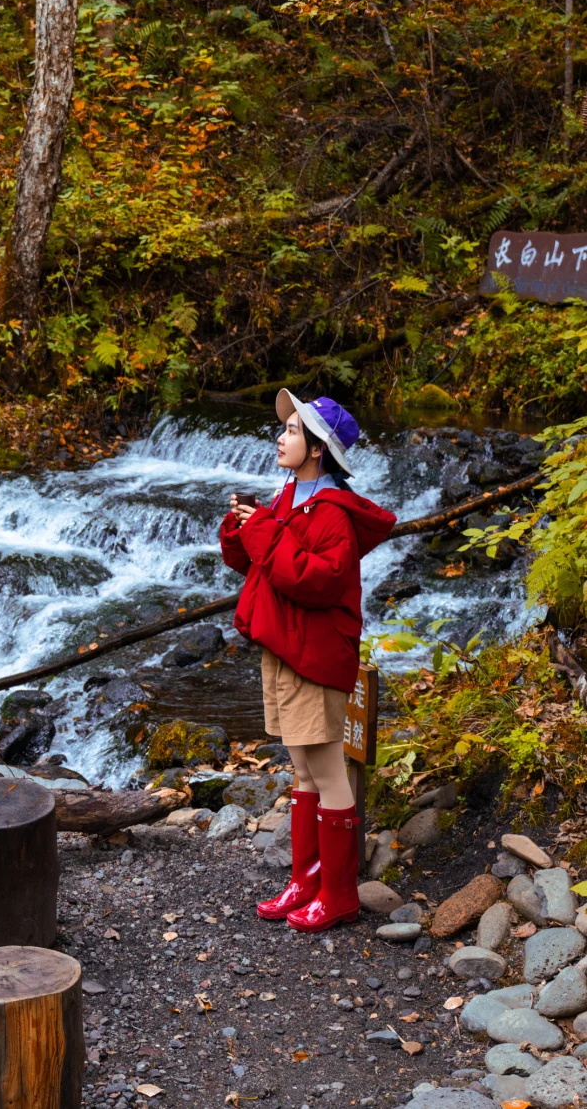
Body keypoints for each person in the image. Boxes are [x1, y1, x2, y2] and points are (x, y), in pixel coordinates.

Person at [219, 389, 395, 932]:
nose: (281, 436)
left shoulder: (334, 514)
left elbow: (315, 582)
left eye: (293, 430)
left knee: (326, 767)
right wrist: (239, 529)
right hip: (284, 644)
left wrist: (263, 531)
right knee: (301, 768)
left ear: (317, 448)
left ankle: (338, 894)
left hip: (315, 652)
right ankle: (306, 880)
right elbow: (256, 563)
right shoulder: (287, 495)